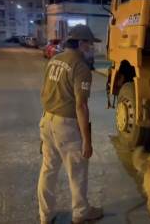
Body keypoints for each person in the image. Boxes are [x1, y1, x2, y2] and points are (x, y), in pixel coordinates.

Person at [38, 24, 102, 224]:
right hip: (66, 126)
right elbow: (81, 106)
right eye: (89, 44)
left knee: (48, 170)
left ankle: (45, 216)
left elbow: (47, 91)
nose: (91, 48)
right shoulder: (80, 67)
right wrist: (87, 141)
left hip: (47, 119)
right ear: (81, 43)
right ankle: (81, 213)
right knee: (77, 171)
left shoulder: (54, 60)